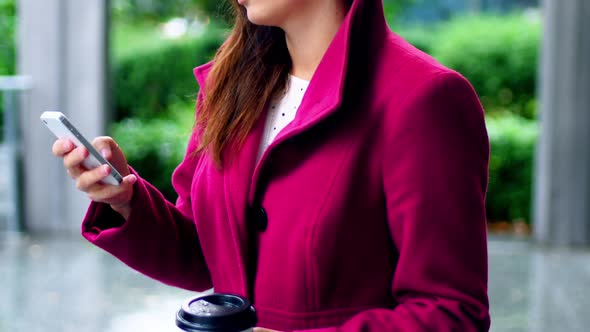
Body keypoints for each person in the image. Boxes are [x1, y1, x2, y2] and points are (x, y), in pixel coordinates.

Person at [52, 0, 491, 330]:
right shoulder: (232, 84)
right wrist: (127, 200)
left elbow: (452, 311)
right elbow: (204, 254)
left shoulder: (423, 98)